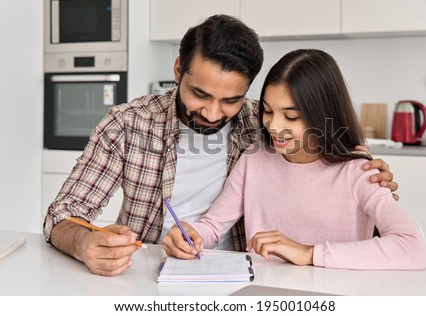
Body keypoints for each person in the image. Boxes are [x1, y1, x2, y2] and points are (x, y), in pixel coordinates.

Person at [43, 15, 398, 276]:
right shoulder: (128, 123)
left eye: (230, 100)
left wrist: (364, 168)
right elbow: (63, 213)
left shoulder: (265, 123)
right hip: (147, 269)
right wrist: (84, 243)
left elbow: (330, 164)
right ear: (179, 69)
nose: (213, 113)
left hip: (246, 275)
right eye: (200, 93)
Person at [162, 49, 426, 270]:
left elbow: (412, 247)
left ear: (322, 114)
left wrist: (309, 253)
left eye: (291, 117)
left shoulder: (359, 172)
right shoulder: (254, 160)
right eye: (267, 111)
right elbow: (213, 225)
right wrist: (192, 234)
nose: (274, 126)